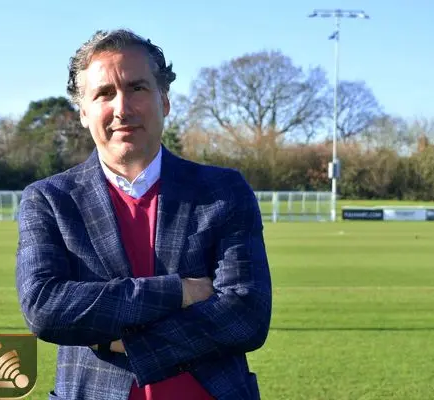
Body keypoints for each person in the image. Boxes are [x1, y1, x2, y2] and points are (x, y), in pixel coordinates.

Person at [16, 29, 272, 400]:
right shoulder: (49, 200)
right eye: (104, 93)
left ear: (163, 101)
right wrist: (180, 291)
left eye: (137, 88)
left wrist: (126, 343)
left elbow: (246, 315)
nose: (122, 108)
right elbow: (45, 308)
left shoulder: (223, 191)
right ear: (84, 112)